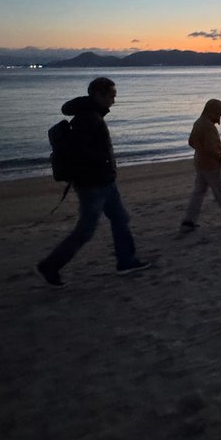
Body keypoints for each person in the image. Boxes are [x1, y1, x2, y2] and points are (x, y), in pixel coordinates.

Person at [37, 77, 151, 286]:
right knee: (86, 229)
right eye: (110, 96)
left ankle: (126, 261)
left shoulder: (90, 115)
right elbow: (79, 150)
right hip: (94, 183)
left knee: (120, 219)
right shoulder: (88, 118)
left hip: (103, 180)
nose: (113, 101)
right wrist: (102, 161)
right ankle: (51, 265)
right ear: (98, 95)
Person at [181, 98, 221, 230]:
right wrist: (220, 157)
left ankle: (188, 220)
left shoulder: (198, 123)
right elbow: (210, 148)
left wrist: (200, 150)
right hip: (211, 165)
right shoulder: (209, 127)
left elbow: (191, 142)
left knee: (198, 191)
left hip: (199, 162)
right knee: (219, 189)